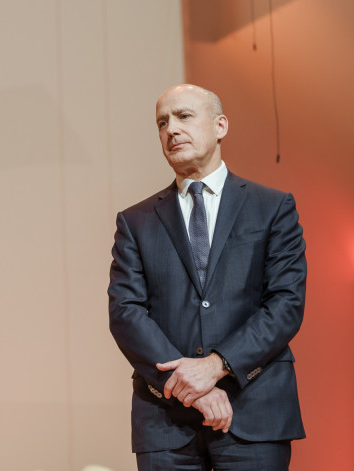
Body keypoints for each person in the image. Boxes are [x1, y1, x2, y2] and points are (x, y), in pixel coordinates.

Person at [107, 84, 306, 470]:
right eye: (162, 122)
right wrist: (193, 389)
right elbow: (125, 313)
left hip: (255, 409)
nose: (171, 129)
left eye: (183, 116)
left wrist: (217, 366)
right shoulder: (135, 221)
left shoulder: (272, 208)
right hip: (165, 420)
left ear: (220, 126)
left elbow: (286, 304)